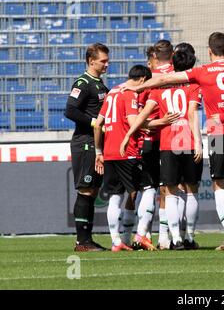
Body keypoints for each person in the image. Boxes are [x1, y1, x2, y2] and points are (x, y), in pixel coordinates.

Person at [121, 32, 224, 250]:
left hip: (219, 131)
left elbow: (166, 79)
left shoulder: (202, 73)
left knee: (219, 184)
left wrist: (137, 87)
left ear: (209, 51)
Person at [121, 43, 203, 250]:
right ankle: (186, 236)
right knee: (189, 190)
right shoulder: (194, 83)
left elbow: (142, 113)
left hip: (162, 140)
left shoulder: (156, 82)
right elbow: (194, 114)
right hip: (188, 139)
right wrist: (199, 142)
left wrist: (129, 134)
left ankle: (166, 237)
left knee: (165, 191)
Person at [93, 65, 159, 252]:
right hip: (127, 150)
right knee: (148, 189)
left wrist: (99, 152)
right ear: (142, 80)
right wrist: (157, 123)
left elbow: (98, 125)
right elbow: (133, 123)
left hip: (109, 152)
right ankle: (141, 234)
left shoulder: (112, 92)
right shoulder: (129, 94)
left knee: (115, 196)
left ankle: (116, 242)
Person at [64, 43, 110, 252]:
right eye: (103, 61)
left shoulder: (99, 84)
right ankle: (82, 242)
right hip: (85, 143)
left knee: (92, 191)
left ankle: (87, 239)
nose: (107, 64)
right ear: (91, 61)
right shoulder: (83, 83)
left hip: (97, 143)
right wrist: (94, 123)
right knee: (85, 190)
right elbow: (70, 111)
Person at [139, 40, 175, 250]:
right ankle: (170, 236)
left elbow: (138, 111)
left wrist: (148, 123)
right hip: (176, 139)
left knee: (150, 189)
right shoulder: (180, 75)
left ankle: (142, 234)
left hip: (152, 139)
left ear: (154, 58)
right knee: (172, 190)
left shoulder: (150, 79)